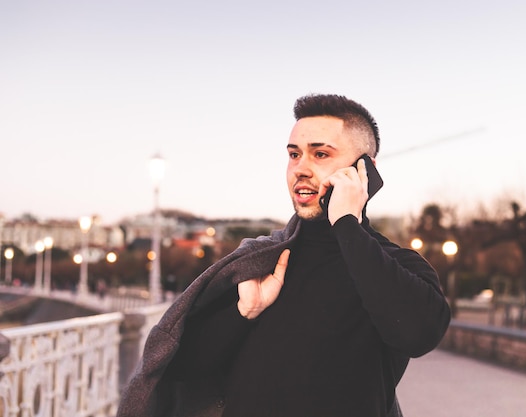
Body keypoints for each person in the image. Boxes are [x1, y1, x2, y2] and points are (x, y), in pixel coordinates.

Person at [116, 94, 451, 417]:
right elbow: (178, 371)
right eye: (294, 154)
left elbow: (418, 334)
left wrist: (347, 224)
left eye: (320, 155)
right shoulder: (259, 261)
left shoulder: (397, 266)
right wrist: (242, 312)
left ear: (365, 170)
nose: (300, 168)